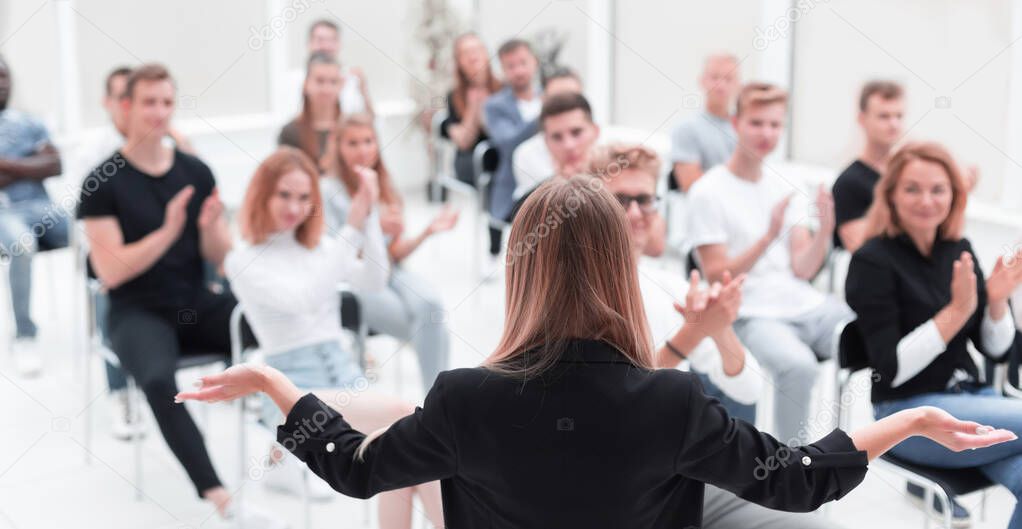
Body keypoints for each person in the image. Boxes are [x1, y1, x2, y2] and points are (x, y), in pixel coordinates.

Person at [179, 176, 1015, 528]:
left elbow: (356, 468)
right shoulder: (672, 400)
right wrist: (898, 428)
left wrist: (273, 381)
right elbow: (797, 478)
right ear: (620, 267)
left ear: (522, 271)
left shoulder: (462, 398)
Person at [598, 141, 844, 529]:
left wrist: (720, 329)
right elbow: (618, 401)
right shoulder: (578, 293)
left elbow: (748, 390)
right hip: (612, 482)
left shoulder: (672, 288)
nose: (634, 213)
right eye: (620, 200)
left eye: (644, 200)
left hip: (677, 475)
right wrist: (692, 334)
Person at [76, 64, 278, 526]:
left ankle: (284, 457)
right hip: (136, 311)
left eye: (167, 102)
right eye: (149, 102)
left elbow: (219, 255)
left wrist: (208, 229)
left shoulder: (196, 171)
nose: (159, 112)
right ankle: (221, 498)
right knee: (159, 383)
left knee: (276, 323)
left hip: (194, 302)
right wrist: (169, 230)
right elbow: (110, 273)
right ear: (125, 108)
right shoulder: (100, 182)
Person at [226, 146, 443, 527]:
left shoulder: (323, 248)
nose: (294, 206)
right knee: (408, 421)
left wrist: (369, 213)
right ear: (262, 194)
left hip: (342, 373)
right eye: (284, 195)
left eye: (304, 196)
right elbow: (303, 299)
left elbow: (375, 279)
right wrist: (353, 227)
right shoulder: (243, 258)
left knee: (402, 445)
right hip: (290, 386)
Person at [846, 141, 1022, 529]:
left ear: (954, 196)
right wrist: (956, 312)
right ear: (891, 194)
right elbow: (891, 370)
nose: (926, 200)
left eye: (938, 189)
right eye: (912, 189)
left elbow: (996, 349)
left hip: (975, 401)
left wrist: (995, 302)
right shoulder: (872, 261)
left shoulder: (958, 249)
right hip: (908, 415)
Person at [687, 82, 853, 444]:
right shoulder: (708, 192)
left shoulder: (788, 182)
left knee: (873, 331)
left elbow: (803, 269)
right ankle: (790, 469)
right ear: (735, 123)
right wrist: (767, 237)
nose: (766, 133)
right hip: (748, 309)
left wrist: (825, 230)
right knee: (798, 367)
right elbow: (718, 276)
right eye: (757, 123)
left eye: (775, 125)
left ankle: (854, 449)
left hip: (799, 301)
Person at [322, 113, 458, 393]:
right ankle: (438, 408)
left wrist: (427, 231)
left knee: (431, 306)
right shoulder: (328, 191)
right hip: (356, 280)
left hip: (392, 271)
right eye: (353, 143)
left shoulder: (383, 185)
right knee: (431, 331)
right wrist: (371, 226)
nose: (362, 150)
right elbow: (335, 257)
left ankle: (436, 406)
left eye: (368, 141)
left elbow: (395, 252)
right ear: (338, 147)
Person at [833, 81, 978, 253]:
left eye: (899, 116)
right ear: (862, 119)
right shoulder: (849, 183)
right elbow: (861, 249)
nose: (893, 124)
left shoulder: (909, 172)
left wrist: (957, 193)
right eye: (884, 116)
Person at [0, 55, 70, 377]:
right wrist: (29, 163)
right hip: (4, 214)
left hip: (42, 208)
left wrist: (5, 164)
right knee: (22, 245)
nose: (2, 84)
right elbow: (42, 165)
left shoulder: (28, 122)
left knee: (92, 235)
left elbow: (55, 165)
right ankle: (25, 336)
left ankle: (111, 325)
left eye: (5, 76)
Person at [482, 38, 540, 267]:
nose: (518, 70)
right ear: (503, 71)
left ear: (534, 62)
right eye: (510, 66)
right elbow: (507, 143)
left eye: (522, 63)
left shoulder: (553, 94)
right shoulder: (495, 105)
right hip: (516, 185)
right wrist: (546, 115)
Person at [510, 68, 585, 203]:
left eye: (574, 98)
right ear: (543, 99)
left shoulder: (608, 141)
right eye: (557, 99)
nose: (569, 144)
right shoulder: (526, 154)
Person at [669, 53, 741, 193]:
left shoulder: (745, 129)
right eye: (714, 77)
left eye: (728, 79)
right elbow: (692, 186)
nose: (721, 85)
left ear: (738, 85)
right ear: (702, 81)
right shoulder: (686, 129)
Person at [439, 32, 502, 185]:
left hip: (501, 153)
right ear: (459, 62)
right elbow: (464, 142)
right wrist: (474, 105)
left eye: (477, 50)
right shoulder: (454, 96)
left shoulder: (504, 88)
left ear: (486, 54)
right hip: (472, 159)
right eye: (465, 53)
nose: (472, 56)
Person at [279, 52, 342, 170]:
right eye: (320, 81)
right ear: (306, 84)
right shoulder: (290, 132)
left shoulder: (350, 127)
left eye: (333, 81)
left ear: (341, 86)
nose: (326, 89)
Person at [306, 19, 373, 118]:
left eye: (331, 40)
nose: (326, 46)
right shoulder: (293, 80)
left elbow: (369, 123)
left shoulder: (353, 80)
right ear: (309, 43)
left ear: (339, 44)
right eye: (320, 40)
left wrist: (363, 91)